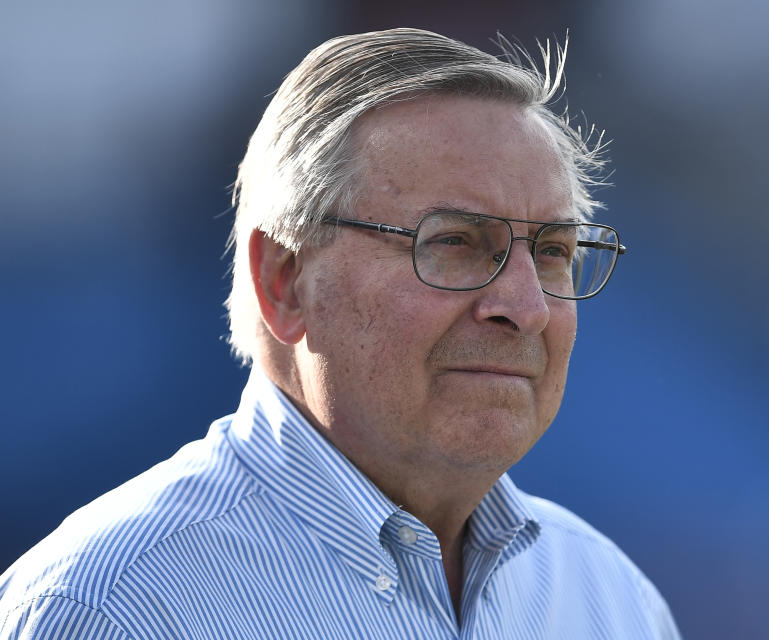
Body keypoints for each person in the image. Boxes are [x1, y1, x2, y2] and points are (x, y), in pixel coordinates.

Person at [0, 28, 680, 639]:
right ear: (285, 280)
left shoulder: (610, 600)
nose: (526, 306)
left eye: (555, 252)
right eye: (454, 243)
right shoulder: (112, 610)